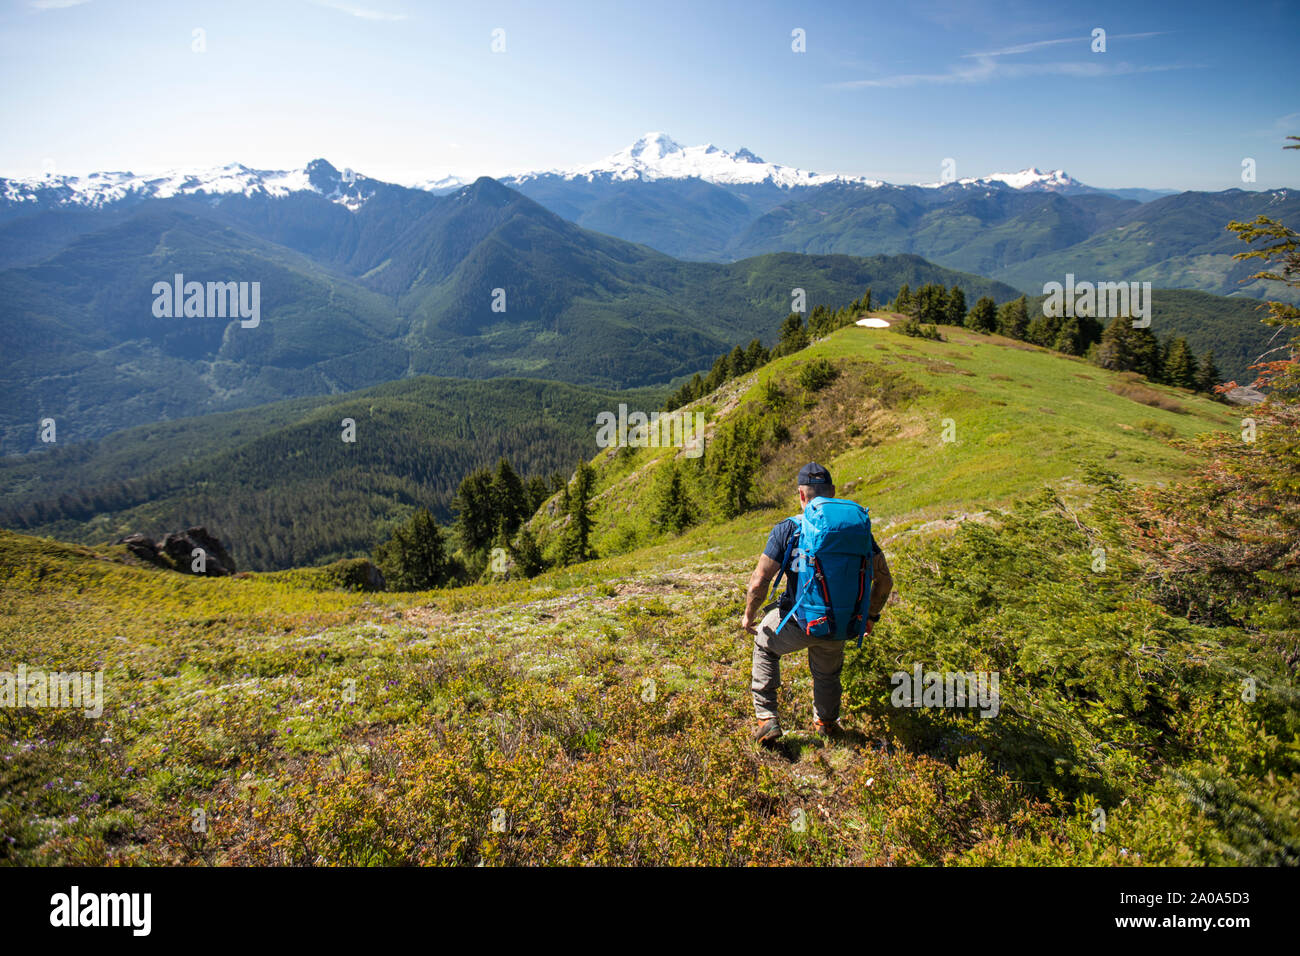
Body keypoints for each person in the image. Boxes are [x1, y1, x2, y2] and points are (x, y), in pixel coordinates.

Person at [741, 462, 893, 746]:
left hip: (799, 622)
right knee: (827, 673)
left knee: (764, 643)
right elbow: (884, 581)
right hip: (841, 622)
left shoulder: (788, 528)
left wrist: (749, 616)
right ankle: (826, 723)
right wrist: (868, 616)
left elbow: (760, 581)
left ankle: (767, 719)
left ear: (801, 494)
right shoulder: (857, 530)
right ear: (832, 492)